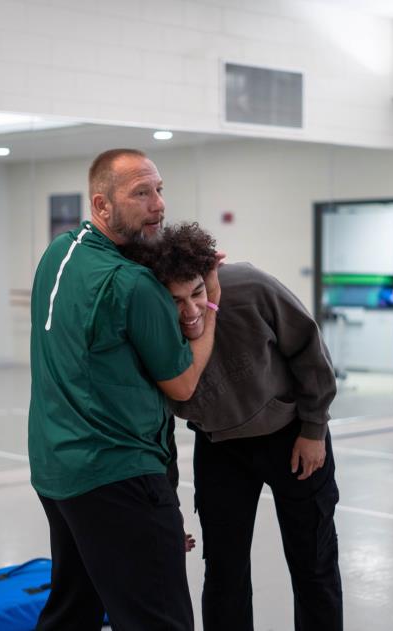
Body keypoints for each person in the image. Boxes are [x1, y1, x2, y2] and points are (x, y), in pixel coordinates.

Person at [28, 150, 219, 631]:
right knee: (160, 619)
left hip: (58, 472)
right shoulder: (133, 284)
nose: (157, 205)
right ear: (102, 204)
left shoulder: (60, 251)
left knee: (74, 609)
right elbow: (183, 383)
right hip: (119, 474)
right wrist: (210, 303)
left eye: (159, 190)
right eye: (140, 193)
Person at [123, 223, 342, 631]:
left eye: (197, 293)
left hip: (291, 436)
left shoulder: (251, 288)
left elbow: (310, 352)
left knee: (313, 564)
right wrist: (168, 506)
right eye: (174, 301)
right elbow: (156, 427)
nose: (190, 312)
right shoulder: (147, 329)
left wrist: (313, 430)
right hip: (219, 446)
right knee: (224, 571)